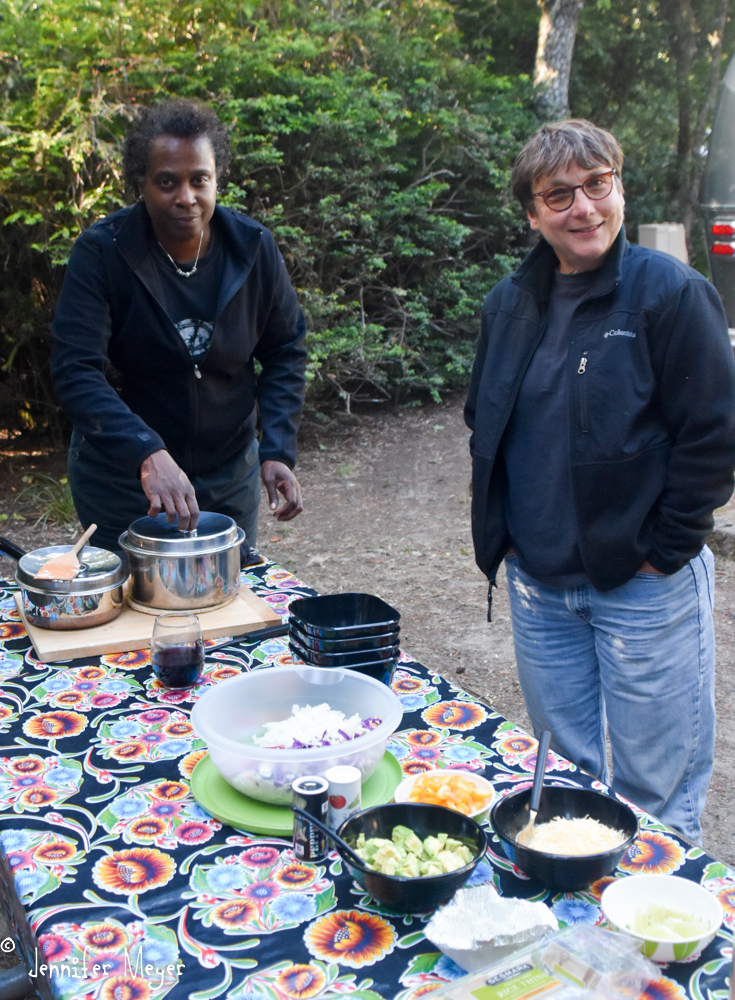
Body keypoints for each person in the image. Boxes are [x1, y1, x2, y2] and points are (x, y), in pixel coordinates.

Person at [464, 118, 735, 842]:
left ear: (618, 188)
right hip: (538, 585)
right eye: (560, 195)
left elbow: (713, 435)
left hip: (642, 585)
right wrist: (509, 541)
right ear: (531, 212)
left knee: (656, 783)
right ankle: (578, 922)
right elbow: (483, 418)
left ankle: (661, 937)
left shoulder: (670, 294)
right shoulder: (506, 304)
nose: (583, 208)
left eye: (598, 185)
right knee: (566, 778)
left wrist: (664, 548)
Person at [51, 99, 306, 558]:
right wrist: (146, 454)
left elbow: (286, 348)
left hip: (228, 471)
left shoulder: (253, 249)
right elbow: (76, 371)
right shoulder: (102, 253)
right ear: (141, 185)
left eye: (199, 180)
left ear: (216, 180)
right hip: (124, 478)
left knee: (225, 610)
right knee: (132, 610)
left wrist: (277, 448)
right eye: (167, 181)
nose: (185, 196)